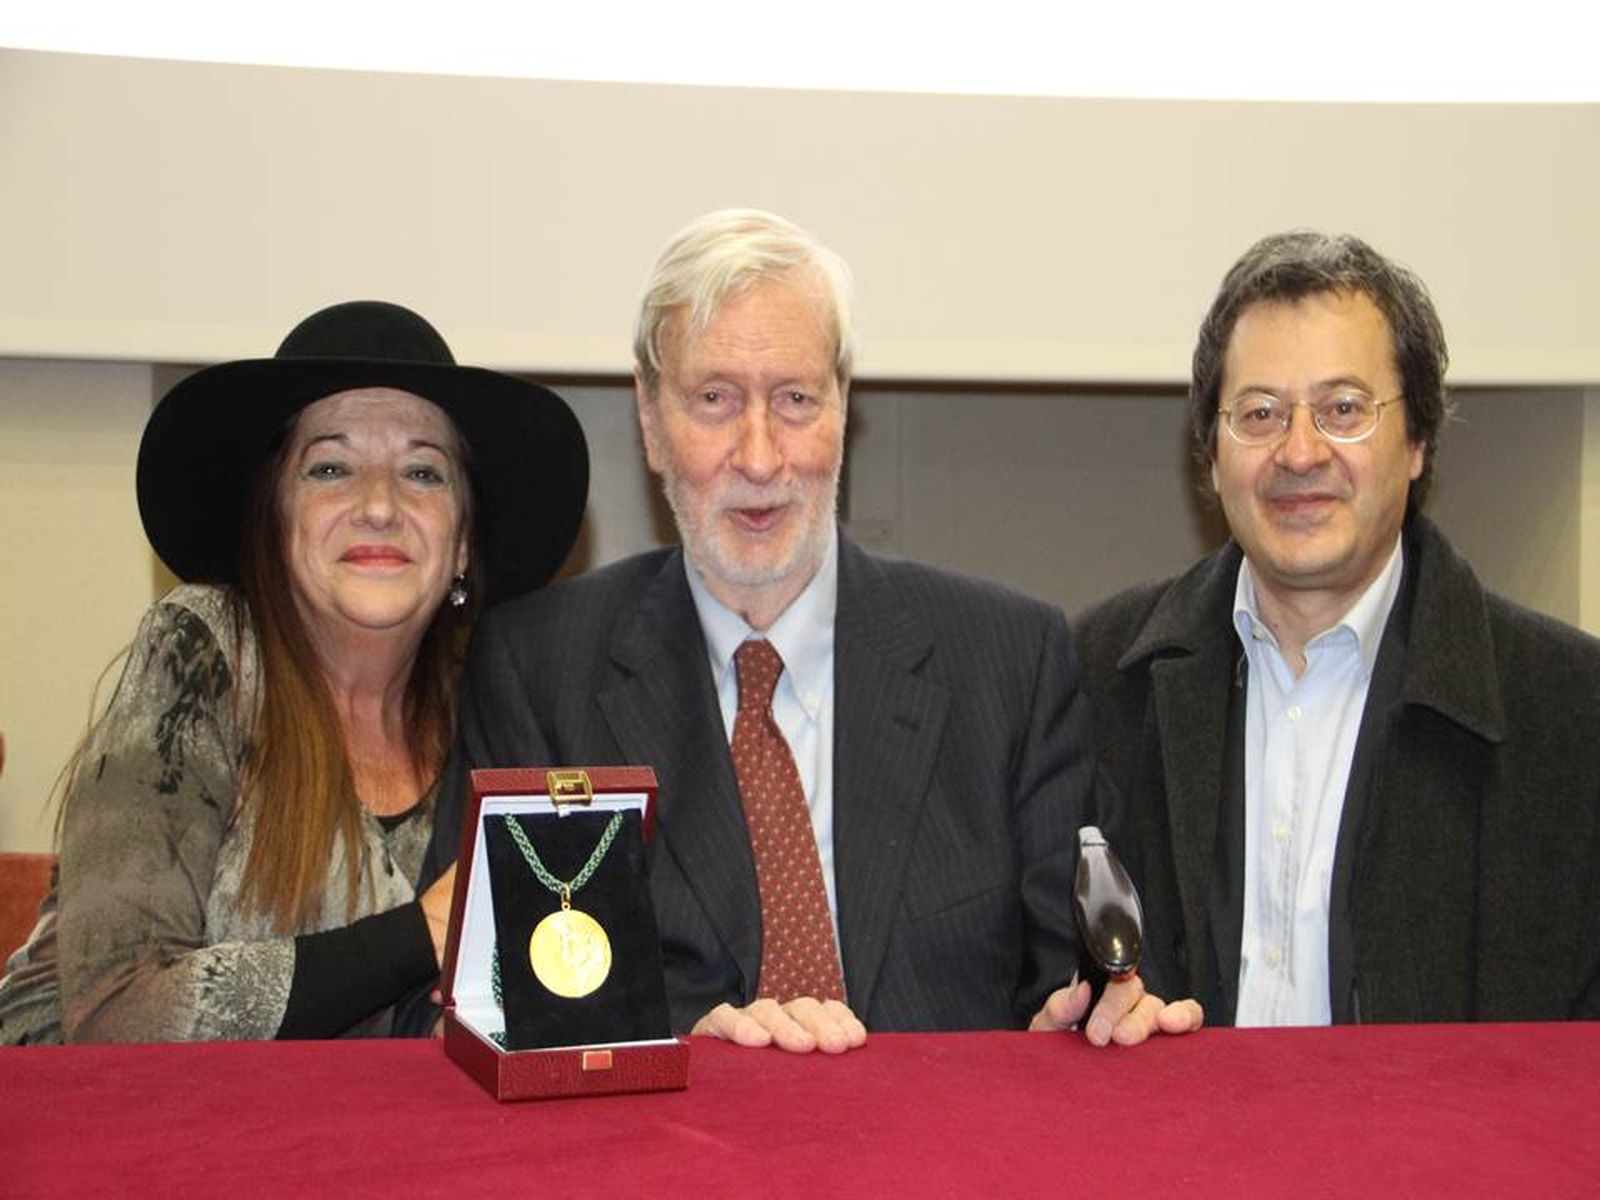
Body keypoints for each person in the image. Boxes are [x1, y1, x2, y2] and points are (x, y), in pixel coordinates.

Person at [422, 209, 1201, 1052]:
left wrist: (1085, 1012)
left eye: (794, 400)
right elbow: (492, 1009)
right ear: (649, 420)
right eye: (714, 400)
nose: (759, 458)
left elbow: (1079, 972)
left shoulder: (1010, 661)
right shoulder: (541, 670)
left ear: (843, 408)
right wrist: (684, 1046)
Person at [0, 300, 588, 1042]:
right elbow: (120, 1009)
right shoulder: (203, 654)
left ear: (464, 542)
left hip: (342, 1139)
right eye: (332, 467)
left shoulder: (496, 699)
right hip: (81, 1123)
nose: (379, 505)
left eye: (422, 473)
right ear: (276, 519)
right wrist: (421, 935)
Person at [1074, 231, 1600, 1025]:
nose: (1300, 451)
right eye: (1259, 413)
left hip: (1448, 1151)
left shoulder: (1571, 711)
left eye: (1344, 409)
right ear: (1210, 459)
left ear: (1419, 440)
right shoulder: (1097, 676)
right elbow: (1029, 974)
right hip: (1173, 1148)